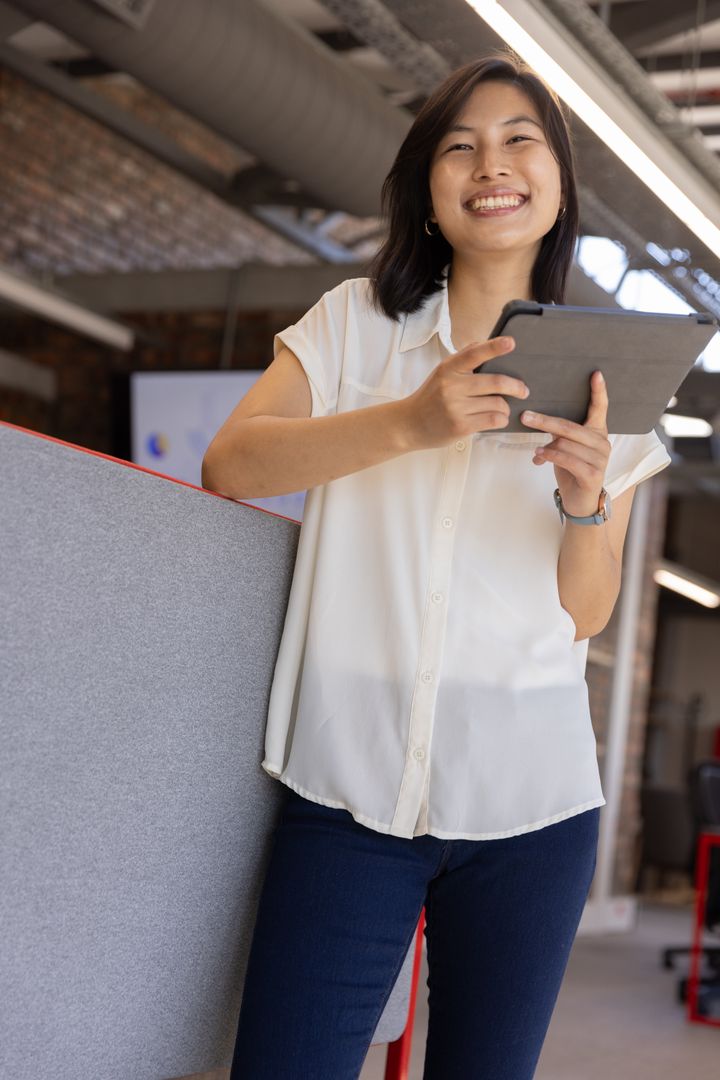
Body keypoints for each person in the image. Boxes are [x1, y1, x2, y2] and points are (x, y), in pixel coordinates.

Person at [203, 50, 671, 1080]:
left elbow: (586, 611)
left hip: (532, 811)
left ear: (557, 185)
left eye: (519, 143)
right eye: (459, 146)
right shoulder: (354, 325)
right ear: (426, 188)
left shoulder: (614, 372)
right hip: (348, 792)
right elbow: (231, 463)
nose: (490, 165)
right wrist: (411, 422)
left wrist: (585, 506)